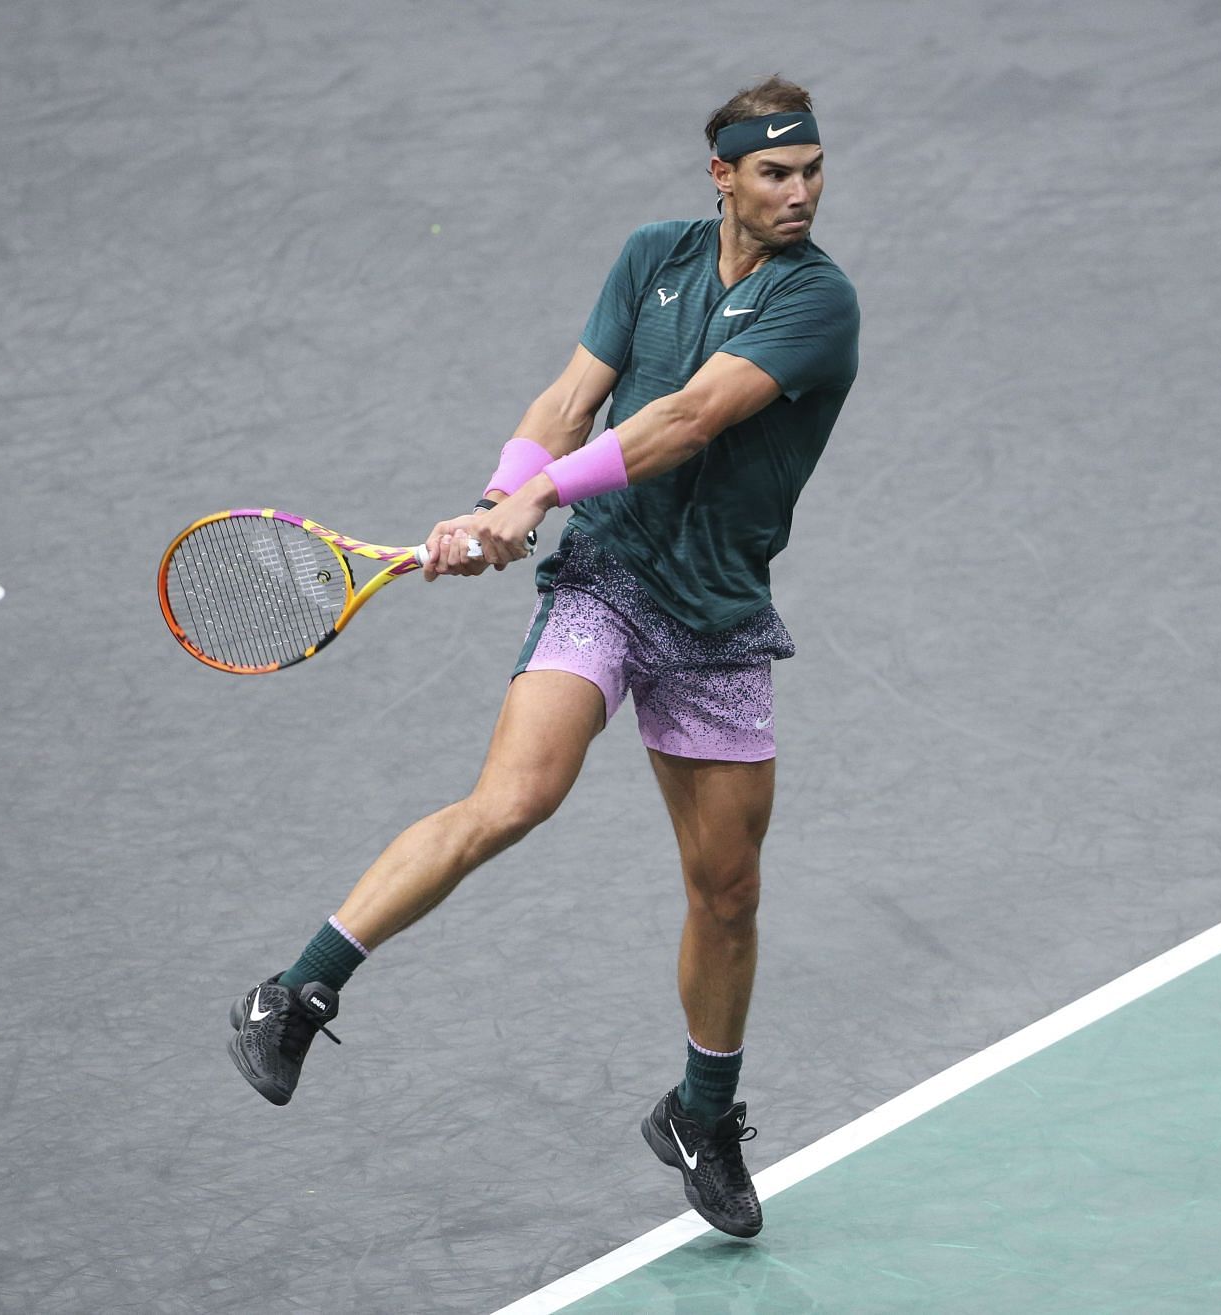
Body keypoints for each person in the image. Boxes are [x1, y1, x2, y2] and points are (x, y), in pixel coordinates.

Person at [226, 75, 857, 1240]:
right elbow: (573, 398)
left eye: (813, 169)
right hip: (610, 577)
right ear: (721, 176)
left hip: (716, 614)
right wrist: (494, 499)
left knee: (728, 890)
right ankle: (296, 989)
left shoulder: (819, 304)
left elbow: (686, 421)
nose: (801, 191)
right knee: (516, 795)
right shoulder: (651, 258)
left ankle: (700, 1114)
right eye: (774, 172)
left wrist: (533, 502)